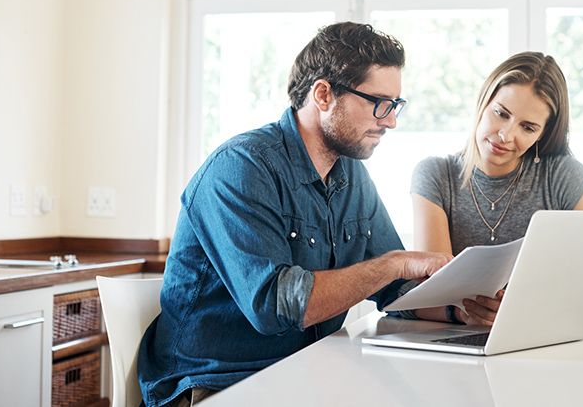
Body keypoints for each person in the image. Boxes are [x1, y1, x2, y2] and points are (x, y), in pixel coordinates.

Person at [137, 22, 452, 407]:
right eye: (379, 103)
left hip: (302, 373)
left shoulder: (351, 175)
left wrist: (461, 306)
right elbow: (275, 306)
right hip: (213, 384)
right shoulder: (241, 167)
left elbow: (395, 289)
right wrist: (394, 264)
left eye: (395, 105)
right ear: (323, 94)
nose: (390, 121)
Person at [410, 51, 583, 327]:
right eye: (501, 113)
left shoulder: (564, 176)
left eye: (528, 127)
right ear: (483, 101)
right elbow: (434, 291)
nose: (506, 136)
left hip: (540, 337)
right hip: (458, 340)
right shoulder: (436, 176)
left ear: (543, 134)